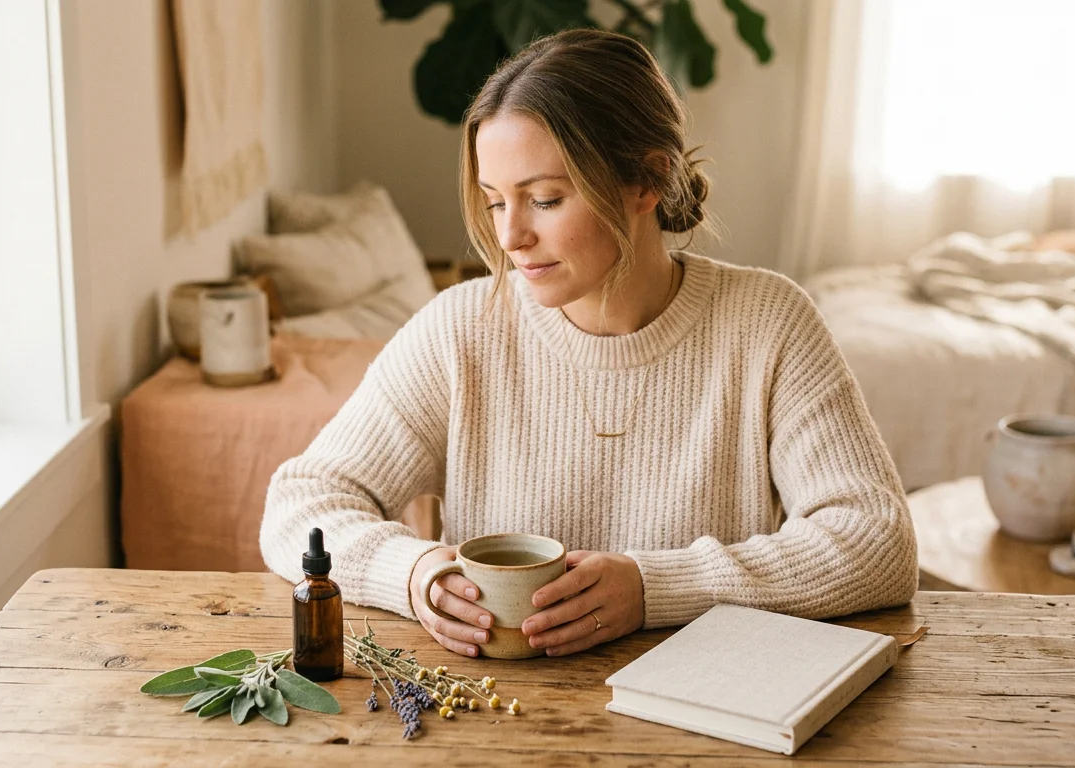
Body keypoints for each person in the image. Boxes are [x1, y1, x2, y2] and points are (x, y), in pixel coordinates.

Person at [260, 28, 917, 658]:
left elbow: (878, 542)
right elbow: (301, 504)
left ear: (648, 180)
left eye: (545, 199)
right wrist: (411, 572)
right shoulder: (461, 328)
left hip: (710, 708)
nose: (510, 237)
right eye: (495, 202)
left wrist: (655, 588)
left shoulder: (769, 323)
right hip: (504, 712)